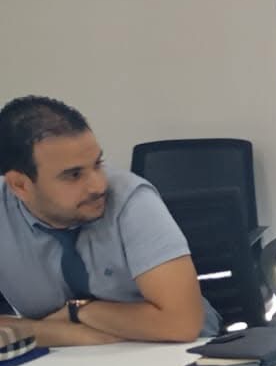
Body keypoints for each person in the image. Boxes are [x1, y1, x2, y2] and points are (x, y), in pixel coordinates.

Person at [0, 95, 217, 346]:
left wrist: (78, 311)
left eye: (97, 164)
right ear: (20, 185)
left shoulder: (132, 200)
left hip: (176, 352)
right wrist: (72, 334)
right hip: (62, 361)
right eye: (73, 175)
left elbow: (180, 324)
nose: (98, 185)